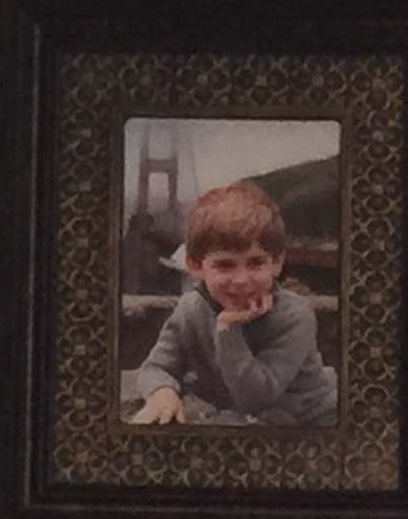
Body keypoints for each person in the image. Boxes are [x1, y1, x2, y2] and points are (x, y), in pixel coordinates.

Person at [125, 179, 339, 431]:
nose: (241, 280)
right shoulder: (191, 309)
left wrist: (228, 328)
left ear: (277, 263)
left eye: (256, 263)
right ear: (195, 266)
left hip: (307, 425)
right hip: (240, 421)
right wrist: (162, 391)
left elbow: (255, 397)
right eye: (225, 265)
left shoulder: (294, 316)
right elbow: (156, 366)